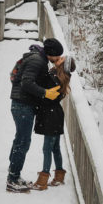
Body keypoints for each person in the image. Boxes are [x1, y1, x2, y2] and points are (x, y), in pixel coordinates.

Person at [6, 37, 64, 192]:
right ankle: (12, 179)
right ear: (50, 54)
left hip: (23, 104)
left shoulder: (38, 59)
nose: (58, 60)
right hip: (22, 105)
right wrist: (45, 93)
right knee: (23, 141)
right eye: (57, 57)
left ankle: (13, 174)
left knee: (20, 139)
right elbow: (26, 82)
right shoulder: (37, 61)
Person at [32, 54, 75, 190]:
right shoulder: (58, 77)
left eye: (62, 59)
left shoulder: (55, 79)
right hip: (54, 114)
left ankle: (42, 181)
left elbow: (44, 94)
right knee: (55, 147)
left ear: (63, 65)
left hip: (51, 115)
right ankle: (59, 176)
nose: (59, 58)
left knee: (47, 148)